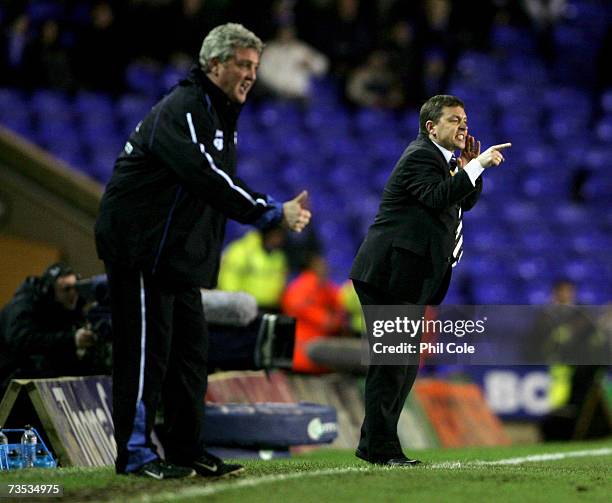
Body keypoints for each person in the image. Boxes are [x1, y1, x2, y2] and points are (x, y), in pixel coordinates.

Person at [94, 23, 311, 480]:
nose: (252, 74)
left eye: (255, 65)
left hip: (175, 259)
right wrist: (271, 212)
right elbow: (206, 178)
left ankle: (185, 449)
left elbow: (206, 197)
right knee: (145, 355)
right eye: (243, 64)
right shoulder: (187, 107)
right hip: (140, 252)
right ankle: (133, 455)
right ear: (215, 64)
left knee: (192, 355)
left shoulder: (219, 114)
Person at [349, 94, 511, 465]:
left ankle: (373, 443)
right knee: (392, 365)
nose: (463, 127)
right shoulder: (421, 155)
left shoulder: (446, 161)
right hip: (389, 274)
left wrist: (471, 166)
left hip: (407, 276)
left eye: (465, 121)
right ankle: (381, 449)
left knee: (401, 367)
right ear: (431, 127)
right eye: (454, 121)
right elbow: (438, 197)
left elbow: (462, 202)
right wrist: (477, 165)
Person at [0, 263, 98, 396]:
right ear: (49, 291)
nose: (73, 294)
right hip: (10, 379)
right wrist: (72, 339)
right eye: (66, 289)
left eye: (75, 288)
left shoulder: (68, 307)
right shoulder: (23, 306)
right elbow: (22, 340)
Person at [281, 254, 347, 373]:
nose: (325, 266)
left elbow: (338, 302)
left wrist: (335, 319)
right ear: (312, 265)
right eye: (321, 263)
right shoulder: (305, 285)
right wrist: (323, 318)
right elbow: (297, 306)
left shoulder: (321, 285)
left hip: (314, 349)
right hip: (304, 350)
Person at [217, 227, 288, 311]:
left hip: (270, 306)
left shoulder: (279, 256)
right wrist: (233, 302)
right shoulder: (242, 250)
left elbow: (280, 281)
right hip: (241, 306)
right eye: (274, 235)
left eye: (280, 236)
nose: (277, 240)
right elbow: (229, 279)